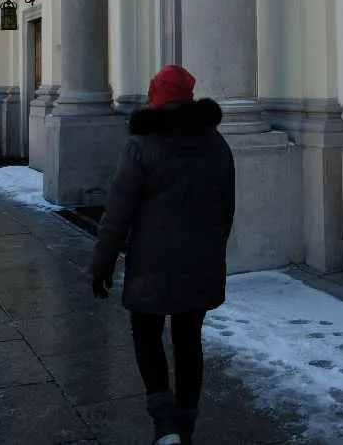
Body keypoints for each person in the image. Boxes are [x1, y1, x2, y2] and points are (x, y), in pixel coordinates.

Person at [89, 65, 236, 445]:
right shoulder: (216, 143)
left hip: (151, 263)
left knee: (147, 334)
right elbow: (226, 208)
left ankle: (164, 421)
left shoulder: (141, 145)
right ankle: (185, 422)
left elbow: (117, 214)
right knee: (189, 340)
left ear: (155, 97)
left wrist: (101, 264)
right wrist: (213, 249)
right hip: (201, 260)